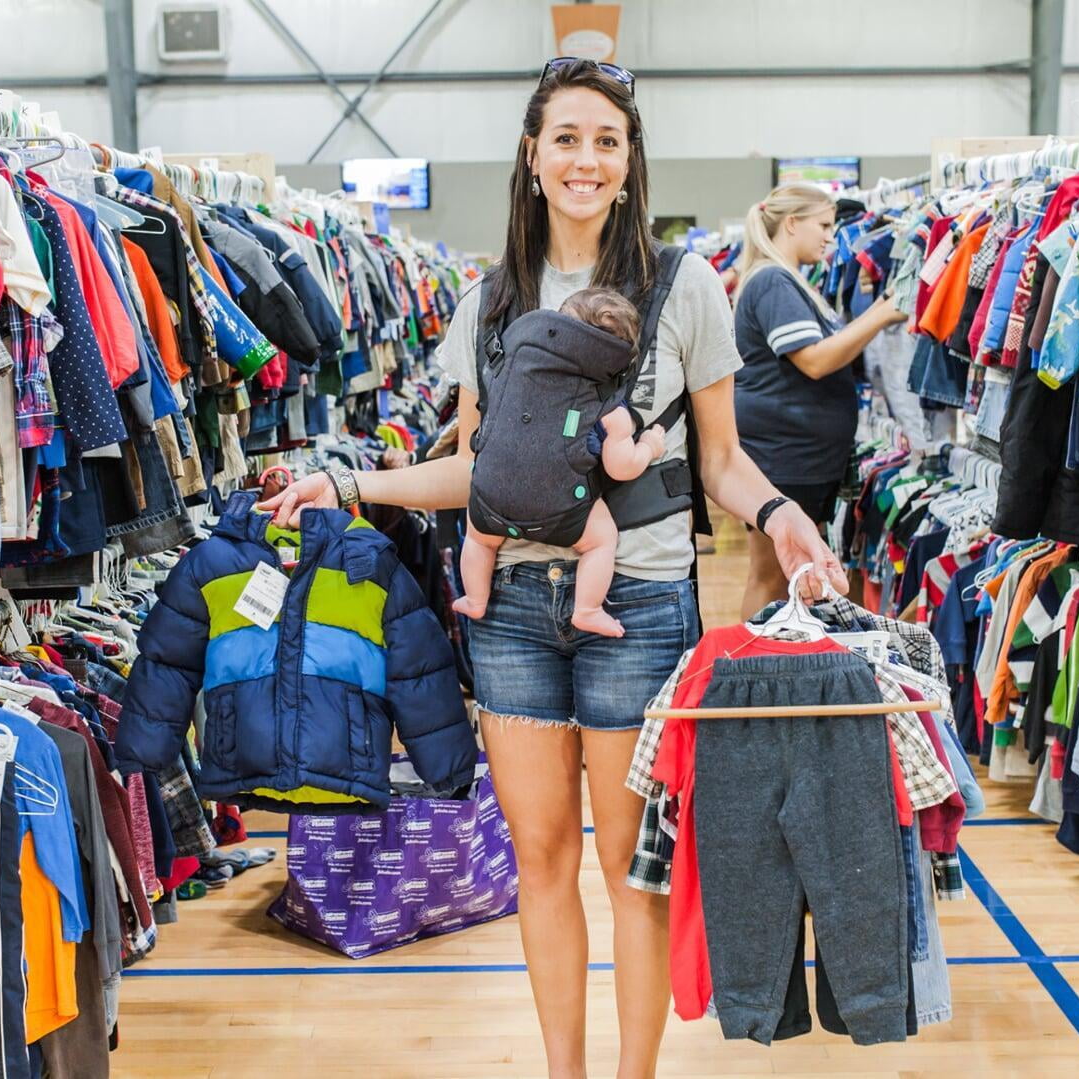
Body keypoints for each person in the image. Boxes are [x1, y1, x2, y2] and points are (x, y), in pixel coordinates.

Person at [258, 58, 846, 1079]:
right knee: (540, 858)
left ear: (629, 166)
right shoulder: (491, 298)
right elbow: (479, 474)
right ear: (532, 158)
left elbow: (718, 457)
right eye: (565, 137)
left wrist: (784, 516)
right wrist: (347, 486)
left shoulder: (683, 283)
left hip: (642, 599)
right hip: (511, 615)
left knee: (631, 870)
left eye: (606, 141)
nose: (585, 158)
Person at [730, 183, 909, 619]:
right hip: (783, 458)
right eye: (824, 225)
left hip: (797, 457)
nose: (832, 236)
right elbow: (813, 360)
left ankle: (778, 663)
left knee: (788, 572)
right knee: (771, 574)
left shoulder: (789, 280)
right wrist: (881, 314)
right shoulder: (773, 281)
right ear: (792, 224)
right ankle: (748, 667)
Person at [453, 287, 666, 638]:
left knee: (478, 540)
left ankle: (476, 599)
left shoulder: (511, 370)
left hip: (490, 498)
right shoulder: (605, 402)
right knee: (601, 540)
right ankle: (587, 609)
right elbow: (620, 467)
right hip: (561, 508)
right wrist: (650, 446)